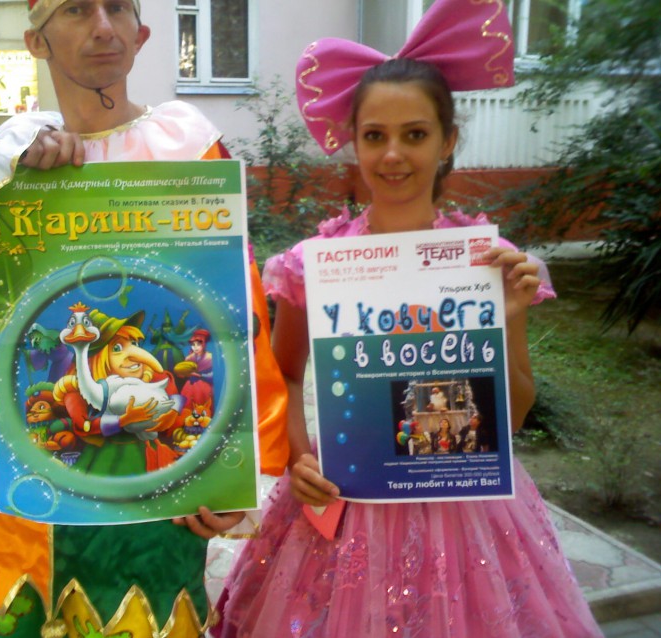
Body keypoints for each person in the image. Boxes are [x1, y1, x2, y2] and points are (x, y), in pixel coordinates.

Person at [0, 1, 289, 636]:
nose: (102, 26)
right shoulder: (7, 159)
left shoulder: (188, 149)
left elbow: (239, 320)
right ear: (36, 41)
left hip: (154, 515)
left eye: (117, 8)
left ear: (141, 34)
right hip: (18, 509)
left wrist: (244, 474)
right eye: (76, 8)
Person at [212, 1, 604, 636]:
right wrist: (298, 459)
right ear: (354, 141)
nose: (393, 154)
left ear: (448, 141)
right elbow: (283, 378)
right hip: (346, 498)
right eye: (375, 135)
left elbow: (512, 417)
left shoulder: (489, 266)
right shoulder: (314, 265)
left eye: (415, 134)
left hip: (464, 509)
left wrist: (504, 320)